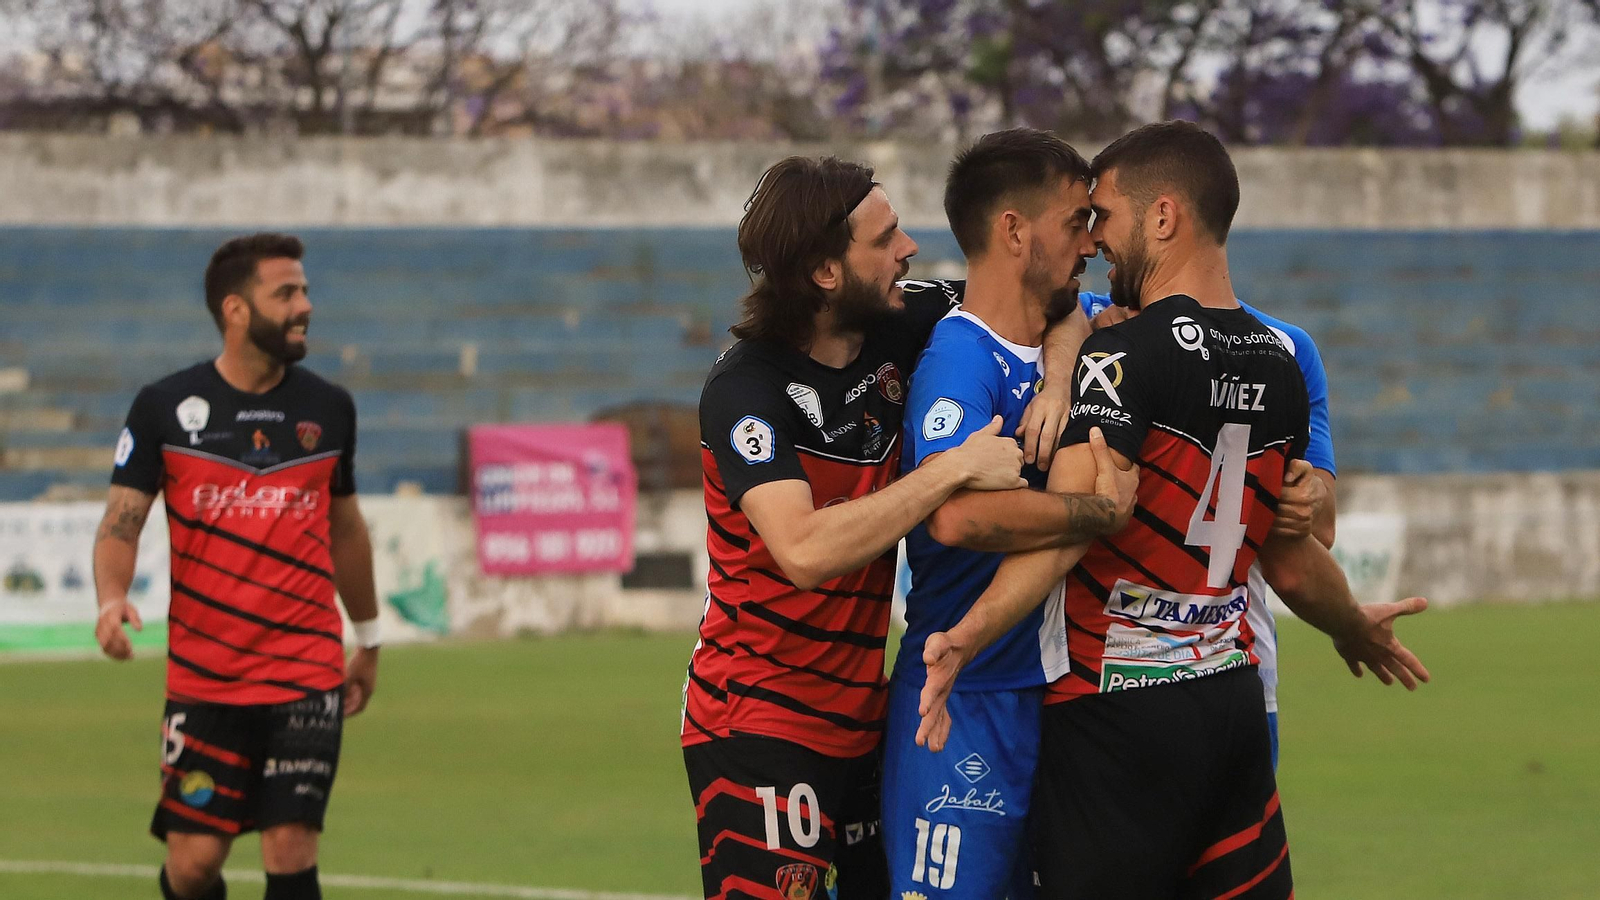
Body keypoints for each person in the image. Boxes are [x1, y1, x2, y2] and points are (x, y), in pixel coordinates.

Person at [916, 122, 1430, 899]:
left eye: (1108, 218)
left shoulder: (1122, 355)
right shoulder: (1281, 359)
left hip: (1117, 706)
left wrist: (967, 635)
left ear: (1163, 218)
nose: (1097, 242)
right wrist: (1350, 623)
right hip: (1231, 697)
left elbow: (1072, 529)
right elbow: (1287, 553)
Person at [682, 156, 1128, 900]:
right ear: (827, 272)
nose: (910, 248)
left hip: (866, 717)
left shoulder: (902, 318)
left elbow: (1049, 304)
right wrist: (949, 471)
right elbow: (802, 550)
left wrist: (1057, 379)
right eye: (886, 238)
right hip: (760, 719)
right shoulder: (745, 389)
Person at [880, 128, 1140, 900]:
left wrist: (1060, 377)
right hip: (964, 698)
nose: (1092, 243)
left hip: (1063, 695)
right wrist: (1096, 512)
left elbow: (1083, 317)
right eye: (1074, 223)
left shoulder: (1073, 323)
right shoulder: (960, 358)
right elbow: (955, 519)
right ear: (1014, 232)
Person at [93, 233, 381, 900]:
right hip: (206, 677)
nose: (304, 305)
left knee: (290, 845)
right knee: (194, 867)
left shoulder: (328, 408)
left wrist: (366, 637)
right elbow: (120, 522)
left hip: (305, 668)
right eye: (285, 293)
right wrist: (111, 600)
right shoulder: (165, 408)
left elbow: (346, 531)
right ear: (236, 310)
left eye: (304, 289)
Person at [1083, 293, 1339, 767]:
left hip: (1233, 662)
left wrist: (1310, 494)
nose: (1097, 240)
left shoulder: (1285, 345)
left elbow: (1320, 523)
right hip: (1108, 670)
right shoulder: (1081, 316)